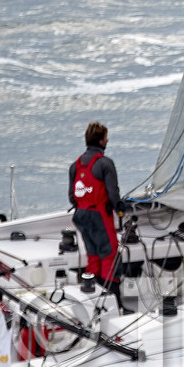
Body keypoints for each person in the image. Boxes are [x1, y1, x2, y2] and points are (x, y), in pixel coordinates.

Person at [68, 121, 122, 293]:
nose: (107, 141)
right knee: (109, 256)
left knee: (93, 257)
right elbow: (113, 195)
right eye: (106, 138)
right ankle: (112, 298)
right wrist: (121, 209)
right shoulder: (105, 163)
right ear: (100, 141)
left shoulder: (75, 166)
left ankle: (93, 294)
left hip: (80, 216)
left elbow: (72, 197)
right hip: (99, 215)